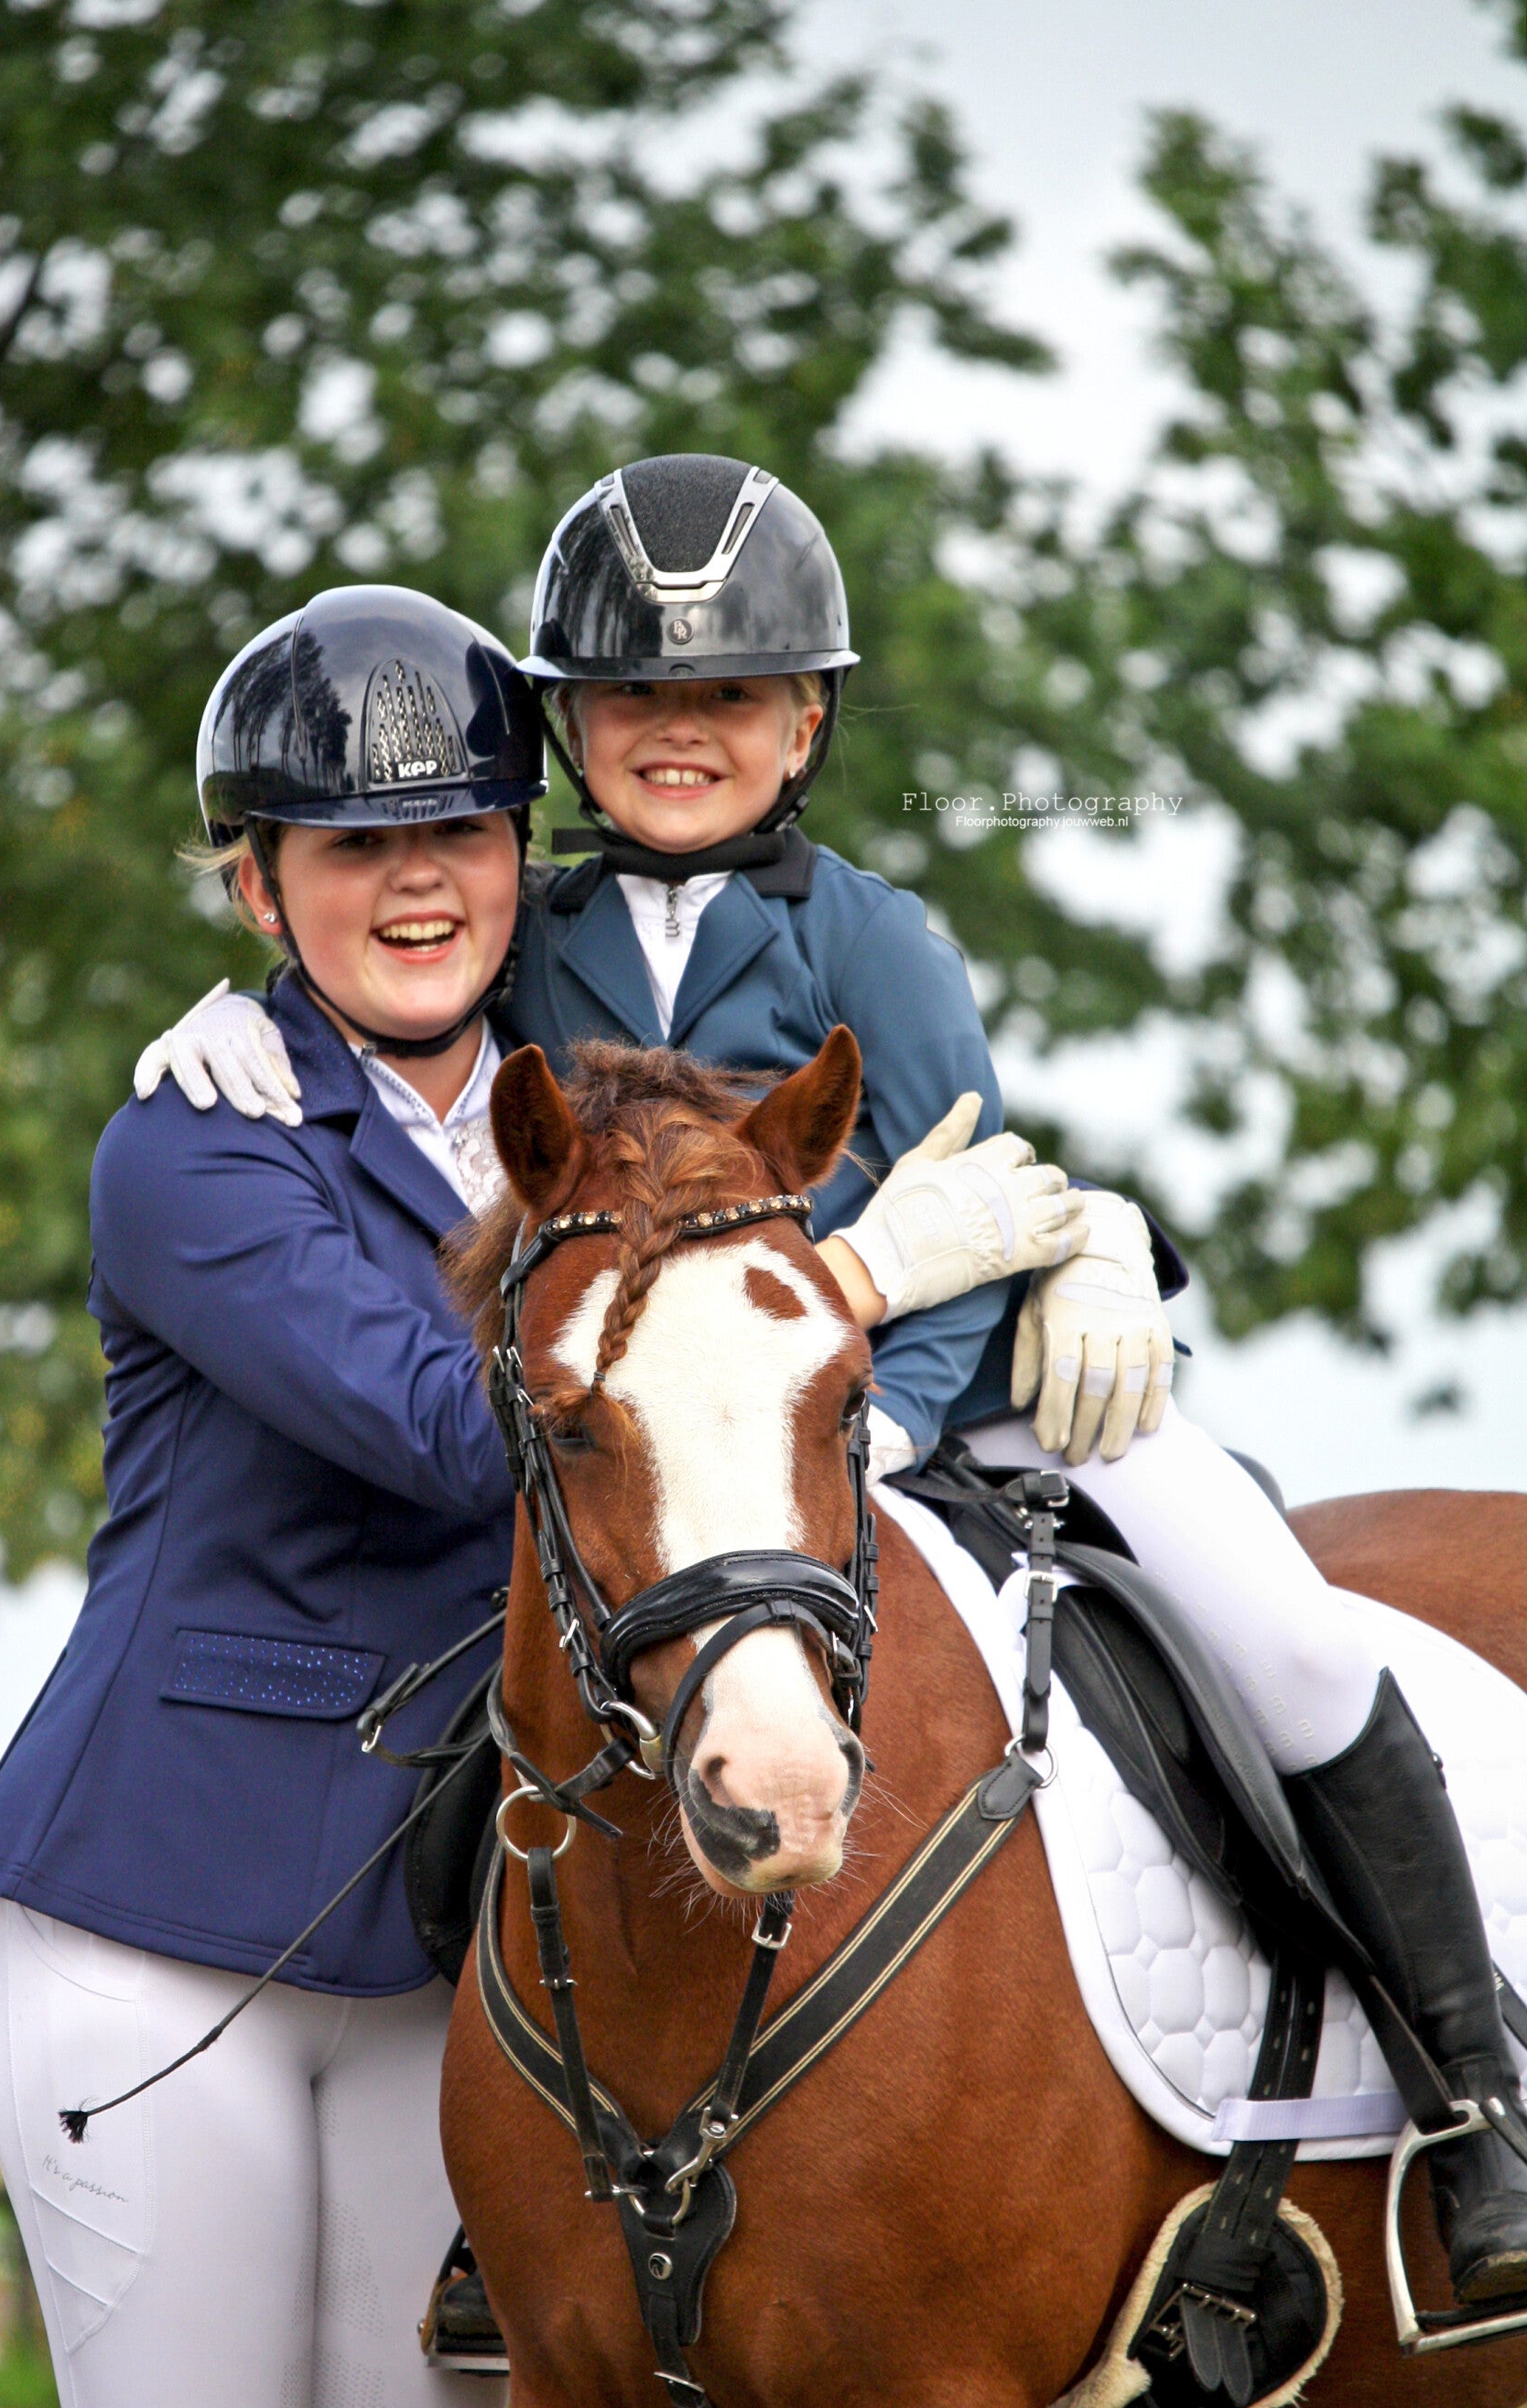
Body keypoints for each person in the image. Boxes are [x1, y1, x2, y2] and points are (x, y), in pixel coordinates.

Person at [145, 457, 1527, 2312]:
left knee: (1281, 1634)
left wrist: (934, 1378)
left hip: (967, 1394)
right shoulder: (526, 935)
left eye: (730, 695)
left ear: (805, 723)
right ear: (567, 729)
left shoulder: (877, 935)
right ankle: (520, 2184)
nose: (681, 731)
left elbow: (970, 1193)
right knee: (510, 1715)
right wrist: (232, 1011)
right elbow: (400, 1025)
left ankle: (1475, 2095)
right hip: (688, 1441)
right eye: (634, 697)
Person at [0, 578, 1078, 2408]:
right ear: (257, 881)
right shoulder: (201, 1141)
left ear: (520, 852)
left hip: (454, 1955)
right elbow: (462, 1430)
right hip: (176, 1921)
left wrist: (1084, 1244)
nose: (417, 882)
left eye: (458, 831)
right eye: (350, 844)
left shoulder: (593, 1120)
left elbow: (828, 1214)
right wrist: (854, 1278)